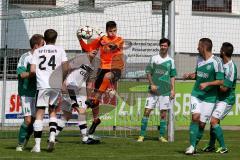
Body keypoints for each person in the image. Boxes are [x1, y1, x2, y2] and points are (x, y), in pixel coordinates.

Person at [77, 21, 124, 136]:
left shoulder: (119, 39)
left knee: (106, 79)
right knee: (95, 99)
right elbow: (87, 48)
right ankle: (95, 120)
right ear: (107, 30)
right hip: (103, 68)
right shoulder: (101, 39)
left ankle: (94, 99)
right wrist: (79, 39)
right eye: (110, 31)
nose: (113, 33)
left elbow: (112, 46)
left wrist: (103, 36)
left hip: (116, 68)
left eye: (114, 30)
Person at [183, 38, 224, 155]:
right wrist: (190, 75)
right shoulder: (199, 59)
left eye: (199, 46)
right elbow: (198, 75)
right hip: (196, 94)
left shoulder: (217, 61)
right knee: (195, 117)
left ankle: (193, 146)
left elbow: (221, 81)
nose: (197, 48)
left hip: (210, 98)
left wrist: (207, 83)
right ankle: (191, 147)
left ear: (204, 47)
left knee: (202, 124)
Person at [30, 29, 68, 152]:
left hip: (42, 85)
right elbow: (66, 67)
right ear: (55, 39)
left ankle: (37, 146)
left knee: (40, 113)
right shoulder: (60, 50)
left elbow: (32, 70)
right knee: (53, 111)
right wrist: (62, 80)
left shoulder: (37, 51)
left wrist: (40, 74)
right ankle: (52, 137)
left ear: (44, 39)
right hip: (55, 85)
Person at [137, 38, 177, 142]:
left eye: (165, 45)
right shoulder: (154, 58)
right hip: (153, 91)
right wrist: (152, 84)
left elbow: (172, 76)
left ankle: (161, 136)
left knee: (163, 113)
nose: (163, 47)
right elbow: (148, 72)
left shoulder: (171, 61)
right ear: (159, 46)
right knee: (147, 111)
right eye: (161, 45)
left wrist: (173, 90)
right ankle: (141, 135)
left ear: (168, 47)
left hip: (165, 90)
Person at [55, 53, 99, 144]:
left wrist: (89, 96)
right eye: (93, 49)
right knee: (81, 112)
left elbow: (89, 82)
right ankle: (85, 138)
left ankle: (53, 136)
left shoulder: (93, 65)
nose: (95, 51)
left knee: (67, 115)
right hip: (69, 87)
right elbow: (66, 68)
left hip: (79, 90)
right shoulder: (80, 59)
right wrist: (63, 82)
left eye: (97, 49)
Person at [202, 42, 237, 154]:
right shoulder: (220, 63)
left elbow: (224, 89)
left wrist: (211, 83)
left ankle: (223, 147)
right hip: (218, 98)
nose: (219, 51)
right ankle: (211, 145)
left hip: (227, 99)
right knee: (213, 121)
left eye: (221, 49)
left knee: (213, 121)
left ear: (223, 52)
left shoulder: (231, 68)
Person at [16, 34, 44, 151]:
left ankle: (26, 139)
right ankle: (19, 144)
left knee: (34, 120)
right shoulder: (25, 57)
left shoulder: (43, 57)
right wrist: (32, 73)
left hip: (39, 91)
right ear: (36, 46)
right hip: (26, 92)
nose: (44, 47)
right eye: (43, 45)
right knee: (27, 120)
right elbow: (21, 74)